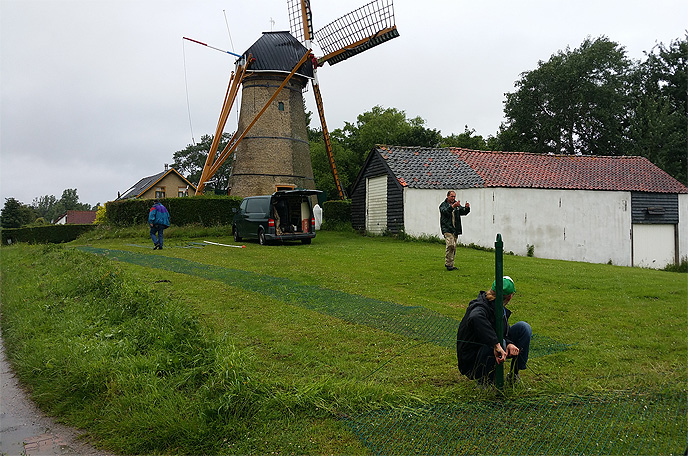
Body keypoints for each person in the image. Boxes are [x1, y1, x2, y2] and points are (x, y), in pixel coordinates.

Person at [456, 276, 532, 385]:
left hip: (493, 349)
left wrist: (510, 343)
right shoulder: (480, 307)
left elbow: (500, 332)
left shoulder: (499, 308)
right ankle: (485, 382)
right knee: (501, 342)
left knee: (523, 328)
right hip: (472, 362)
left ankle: (514, 375)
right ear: (510, 297)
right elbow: (475, 317)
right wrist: (496, 344)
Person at [439, 190, 470, 271]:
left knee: (454, 247)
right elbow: (445, 212)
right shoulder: (443, 205)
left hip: (455, 229)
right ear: (447, 196)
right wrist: (453, 207)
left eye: (454, 196)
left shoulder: (457, 205)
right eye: (452, 196)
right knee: (450, 245)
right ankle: (448, 264)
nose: (453, 198)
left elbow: (463, 212)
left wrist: (467, 208)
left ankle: (451, 265)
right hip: (447, 228)